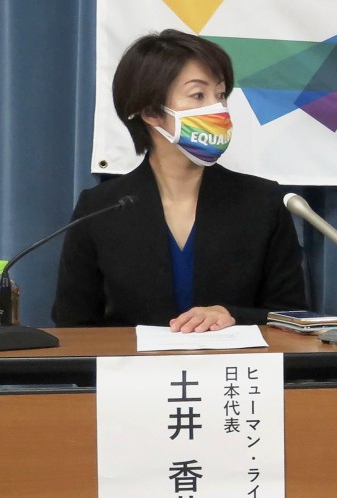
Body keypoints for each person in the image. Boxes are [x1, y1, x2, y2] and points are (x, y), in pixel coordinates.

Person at [52, 30, 307, 331]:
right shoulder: (99, 209)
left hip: (233, 373)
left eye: (221, 94)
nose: (219, 108)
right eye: (198, 95)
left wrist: (234, 315)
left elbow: (293, 318)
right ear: (150, 112)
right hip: (136, 373)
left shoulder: (263, 202)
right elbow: (74, 325)